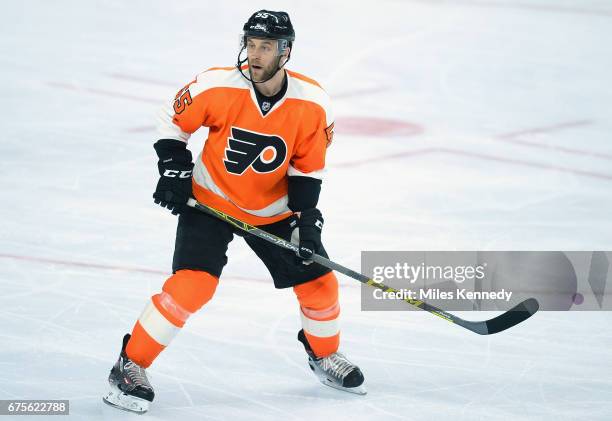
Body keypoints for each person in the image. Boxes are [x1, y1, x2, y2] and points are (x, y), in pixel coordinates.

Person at [103, 10, 365, 414]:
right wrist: (174, 171)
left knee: (320, 285)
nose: (255, 54)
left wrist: (307, 220)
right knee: (192, 286)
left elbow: (306, 169)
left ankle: (324, 355)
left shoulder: (312, 103)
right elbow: (173, 122)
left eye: (266, 47)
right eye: (251, 44)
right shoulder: (217, 85)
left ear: (286, 51)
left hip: (274, 211)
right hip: (209, 201)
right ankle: (130, 364)